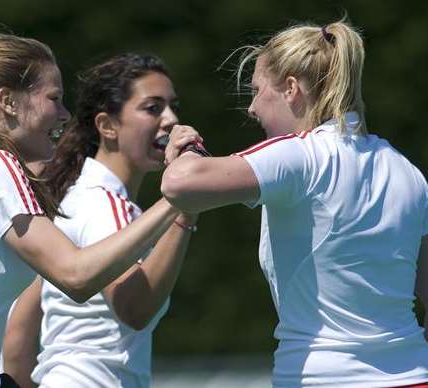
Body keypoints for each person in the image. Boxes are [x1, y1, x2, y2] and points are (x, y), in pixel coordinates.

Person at [0, 34, 186, 388]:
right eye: (54, 98)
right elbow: (76, 276)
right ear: (8, 101)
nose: (65, 114)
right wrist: (179, 200)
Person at [161, 19, 428, 388]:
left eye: (256, 90)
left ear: (290, 89)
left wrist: (187, 147)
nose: (252, 107)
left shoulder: (300, 155)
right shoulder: (405, 169)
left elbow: (179, 184)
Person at [1, 53, 197, 388]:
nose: (171, 120)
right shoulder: (104, 204)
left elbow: (18, 330)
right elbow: (134, 308)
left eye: (171, 106)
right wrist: (188, 204)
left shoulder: (82, 198)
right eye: (153, 108)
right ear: (107, 126)